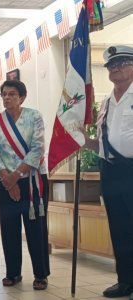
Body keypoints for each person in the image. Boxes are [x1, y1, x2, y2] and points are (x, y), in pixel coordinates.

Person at [0, 80, 50, 290]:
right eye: (4, 94)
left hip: (32, 182)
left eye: (12, 94)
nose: (7, 97)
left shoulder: (34, 116)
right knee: (9, 229)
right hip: (5, 183)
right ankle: (13, 273)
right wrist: (7, 178)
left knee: (36, 229)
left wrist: (17, 175)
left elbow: (38, 148)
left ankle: (41, 274)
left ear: (22, 97)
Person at [84, 45, 133, 299]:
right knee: (119, 229)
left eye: (123, 63)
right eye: (112, 65)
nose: (116, 68)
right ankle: (125, 280)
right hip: (111, 172)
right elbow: (103, 142)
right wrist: (84, 139)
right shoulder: (106, 102)